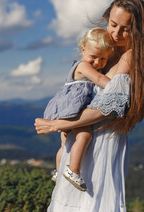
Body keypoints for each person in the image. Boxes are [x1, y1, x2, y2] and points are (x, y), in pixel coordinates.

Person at [35, 0, 144, 212]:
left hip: (102, 142)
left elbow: (109, 107)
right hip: (82, 138)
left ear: (137, 30)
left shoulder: (130, 56)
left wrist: (58, 124)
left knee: (90, 204)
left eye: (125, 29)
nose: (116, 33)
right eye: (113, 24)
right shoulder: (103, 50)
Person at [43, 29, 113, 191]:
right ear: (83, 49)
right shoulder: (82, 65)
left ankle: (58, 170)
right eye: (93, 57)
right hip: (73, 109)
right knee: (84, 135)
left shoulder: (86, 64)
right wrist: (117, 86)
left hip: (66, 108)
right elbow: (99, 79)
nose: (97, 62)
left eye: (103, 58)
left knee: (65, 143)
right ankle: (73, 170)